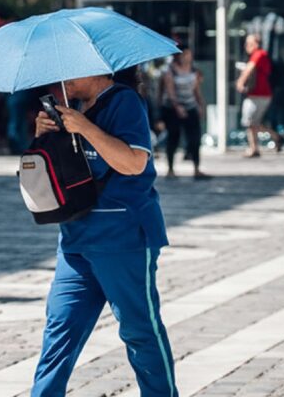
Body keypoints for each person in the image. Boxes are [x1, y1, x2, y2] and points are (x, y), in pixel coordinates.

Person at [31, 66, 177, 397]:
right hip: (75, 239)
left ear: (97, 68)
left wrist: (85, 127)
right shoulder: (71, 107)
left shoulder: (125, 102)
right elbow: (58, 170)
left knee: (139, 330)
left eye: (71, 69)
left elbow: (135, 162)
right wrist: (43, 135)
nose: (64, 78)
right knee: (59, 331)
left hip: (122, 237)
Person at [162, 45, 209, 179]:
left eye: (189, 55)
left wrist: (201, 105)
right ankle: (170, 169)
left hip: (190, 106)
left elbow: (196, 90)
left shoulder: (194, 70)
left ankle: (196, 168)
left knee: (195, 138)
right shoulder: (170, 71)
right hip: (173, 109)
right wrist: (177, 107)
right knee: (173, 138)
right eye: (184, 55)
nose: (187, 57)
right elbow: (170, 91)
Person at [236, 34, 283, 158]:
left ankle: (254, 148)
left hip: (259, 95)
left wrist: (240, 82)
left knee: (250, 122)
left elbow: (249, 69)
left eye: (249, 43)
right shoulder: (258, 55)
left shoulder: (259, 54)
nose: (246, 46)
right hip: (258, 95)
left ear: (256, 44)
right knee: (254, 123)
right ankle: (275, 137)